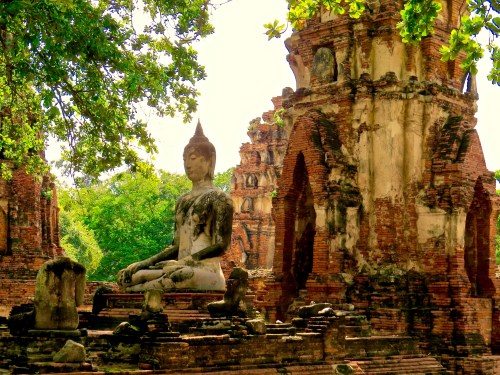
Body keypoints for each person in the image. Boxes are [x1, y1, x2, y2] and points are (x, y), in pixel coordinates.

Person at [117, 121, 233, 292]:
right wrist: (146, 262)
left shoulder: (219, 198)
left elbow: (222, 245)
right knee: (127, 277)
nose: (187, 164)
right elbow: (176, 247)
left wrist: (183, 262)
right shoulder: (182, 201)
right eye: (184, 159)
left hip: (205, 270)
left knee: (178, 277)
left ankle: (141, 291)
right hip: (175, 266)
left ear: (209, 161)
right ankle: (140, 288)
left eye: (193, 158)